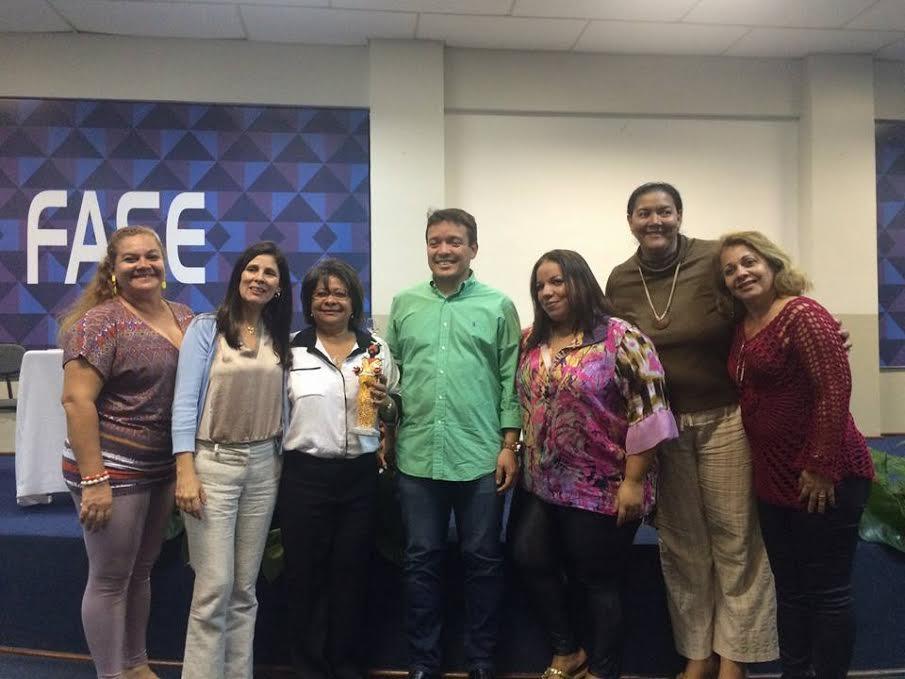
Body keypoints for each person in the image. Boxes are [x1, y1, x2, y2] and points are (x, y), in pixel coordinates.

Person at [605, 183, 778, 679]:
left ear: (679, 214)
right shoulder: (621, 279)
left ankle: (735, 658)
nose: (654, 221)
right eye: (644, 213)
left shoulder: (713, 259)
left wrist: (811, 321)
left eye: (664, 211)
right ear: (630, 221)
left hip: (726, 418)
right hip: (663, 428)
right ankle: (697, 654)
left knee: (735, 538)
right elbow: (606, 335)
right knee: (683, 544)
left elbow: (763, 295)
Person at [511, 249, 678, 679]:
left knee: (598, 581)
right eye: (539, 285)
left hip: (603, 485)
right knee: (528, 556)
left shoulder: (620, 338)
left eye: (557, 281)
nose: (547, 292)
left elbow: (651, 413)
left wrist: (634, 481)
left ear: (580, 282)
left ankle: (604, 669)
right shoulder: (530, 340)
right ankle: (567, 650)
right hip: (541, 481)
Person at [715, 231, 874, 679]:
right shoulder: (743, 326)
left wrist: (820, 466)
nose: (741, 273)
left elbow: (834, 388)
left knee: (827, 594)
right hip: (774, 479)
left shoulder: (802, 313)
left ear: (772, 264)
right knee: (791, 592)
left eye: (749, 262)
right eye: (730, 270)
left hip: (825, 477)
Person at [385, 208, 521, 679]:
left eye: (454, 242)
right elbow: (391, 378)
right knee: (421, 560)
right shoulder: (404, 304)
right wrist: (386, 431)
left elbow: (510, 380)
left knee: (482, 561)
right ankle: (424, 662)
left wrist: (509, 445)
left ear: (473, 249)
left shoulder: (498, 305)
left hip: (480, 456)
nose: (443, 250)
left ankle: (481, 660)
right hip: (417, 455)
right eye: (435, 241)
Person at [59, 225, 193, 679]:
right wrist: (94, 480)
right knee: (110, 577)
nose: (143, 265)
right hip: (110, 468)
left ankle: (135, 665)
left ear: (164, 262)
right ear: (113, 269)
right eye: (130, 258)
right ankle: (111, 673)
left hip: (160, 467)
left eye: (151, 256)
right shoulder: (101, 322)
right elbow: (76, 401)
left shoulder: (184, 316)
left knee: (141, 571)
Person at [171, 241, 292, 679]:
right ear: (239, 274)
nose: (259, 278)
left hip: (264, 466)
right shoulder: (206, 328)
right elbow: (184, 402)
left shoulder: (280, 336)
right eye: (252, 269)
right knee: (214, 588)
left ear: (280, 287)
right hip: (213, 465)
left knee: (244, 590)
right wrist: (184, 468)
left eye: (269, 273)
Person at [279, 258, 399, 679]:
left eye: (340, 293)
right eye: (321, 293)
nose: (330, 300)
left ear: (353, 302)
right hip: (304, 476)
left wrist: (387, 404)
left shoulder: (375, 349)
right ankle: (309, 668)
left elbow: (395, 406)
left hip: (359, 478)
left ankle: (347, 665)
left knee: (352, 575)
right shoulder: (289, 350)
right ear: (309, 302)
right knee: (304, 577)